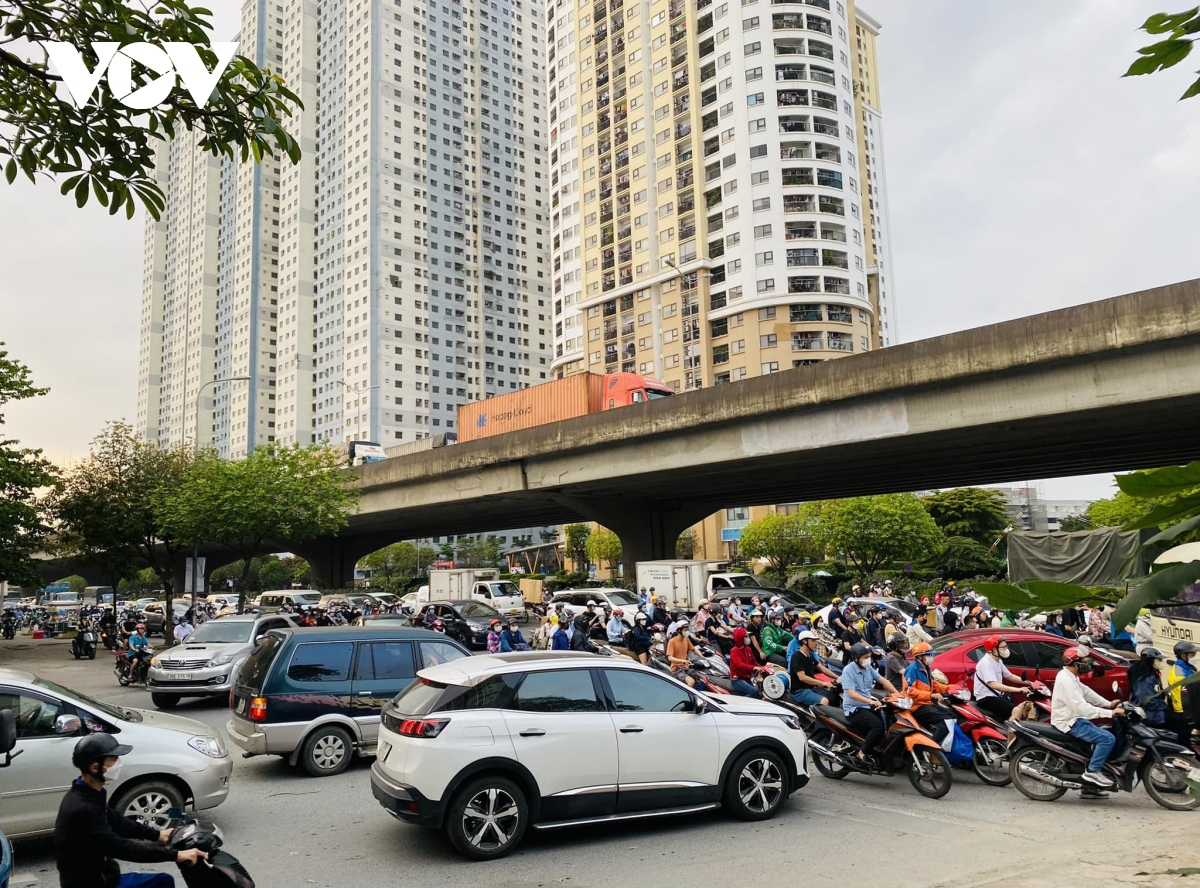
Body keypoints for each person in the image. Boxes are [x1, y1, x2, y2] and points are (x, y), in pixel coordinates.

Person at [56, 733, 206, 888]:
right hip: (93, 883)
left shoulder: (89, 793)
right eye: (113, 759)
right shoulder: (82, 808)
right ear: (95, 767)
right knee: (163, 882)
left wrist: (157, 834)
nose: (119, 763)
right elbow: (121, 847)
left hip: (102, 875)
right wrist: (176, 855)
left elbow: (116, 821)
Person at [1052, 647, 1125, 789]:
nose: (1087, 664)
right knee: (1107, 738)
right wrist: (1110, 713)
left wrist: (1108, 704)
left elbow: (1087, 692)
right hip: (1070, 722)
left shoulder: (1071, 677)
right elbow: (1082, 708)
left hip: (1076, 718)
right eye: (1084, 662)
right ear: (1075, 664)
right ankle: (1092, 772)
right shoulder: (1066, 680)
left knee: (1106, 730)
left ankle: (1090, 789)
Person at [841, 641, 900, 765]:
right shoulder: (848, 670)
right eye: (866, 657)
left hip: (868, 705)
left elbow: (884, 681)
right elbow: (851, 694)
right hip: (854, 708)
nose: (869, 660)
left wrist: (898, 695)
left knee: (888, 724)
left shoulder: (868, 668)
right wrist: (870, 701)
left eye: (870, 657)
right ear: (856, 659)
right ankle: (862, 753)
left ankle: (878, 751)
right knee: (878, 726)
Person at [903, 642, 955, 745]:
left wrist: (952, 688)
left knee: (953, 715)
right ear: (920, 657)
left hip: (928, 703)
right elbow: (910, 691)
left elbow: (935, 685)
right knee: (946, 721)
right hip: (917, 706)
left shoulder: (926, 668)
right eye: (929, 655)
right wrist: (931, 695)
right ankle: (932, 746)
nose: (931, 657)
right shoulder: (912, 670)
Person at [972, 635, 1033, 721]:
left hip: (996, 696)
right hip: (986, 699)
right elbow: (994, 685)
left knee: (1023, 706)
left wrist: (1029, 683)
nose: (1006, 649)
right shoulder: (987, 663)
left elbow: (1009, 676)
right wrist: (1019, 690)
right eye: (1003, 647)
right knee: (1017, 711)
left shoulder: (998, 660)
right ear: (994, 650)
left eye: (1006, 646)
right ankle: (1011, 734)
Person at [789, 630, 839, 706]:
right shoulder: (797, 656)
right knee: (824, 702)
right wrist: (822, 683)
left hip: (811, 688)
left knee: (834, 696)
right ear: (805, 641)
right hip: (800, 692)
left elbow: (822, 669)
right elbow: (802, 677)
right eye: (813, 640)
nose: (815, 643)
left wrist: (838, 677)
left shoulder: (810, 655)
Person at [1166, 640, 1198, 745]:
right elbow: (1187, 697)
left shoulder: (1187, 668)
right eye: (1192, 655)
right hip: (1185, 711)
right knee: (1185, 740)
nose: (1194, 657)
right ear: (1184, 656)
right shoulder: (1179, 675)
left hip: (1190, 707)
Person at [1128, 647, 1168, 728]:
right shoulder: (1146, 679)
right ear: (1150, 661)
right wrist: (1164, 704)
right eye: (1159, 660)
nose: (1162, 662)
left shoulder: (1152, 674)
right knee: (1182, 724)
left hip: (1155, 711)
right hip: (1151, 715)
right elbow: (1147, 700)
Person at [666, 624, 705, 688]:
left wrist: (702, 657)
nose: (687, 632)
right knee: (691, 682)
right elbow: (670, 657)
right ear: (679, 630)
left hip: (686, 668)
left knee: (700, 677)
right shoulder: (672, 641)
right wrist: (683, 661)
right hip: (676, 669)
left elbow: (694, 649)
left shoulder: (686, 639)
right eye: (685, 630)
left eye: (688, 630)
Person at [728, 627, 761, 698]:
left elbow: (753, 661)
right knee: (753, 692)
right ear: (740, 638)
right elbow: (739, 664)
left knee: (758, 693)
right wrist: (754, 667)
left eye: (748, 636)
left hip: (747, 678)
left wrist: (762, 667)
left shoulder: (748, 649)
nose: (748, 638)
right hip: (737, 679)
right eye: (745, 636)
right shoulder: (734, 651)